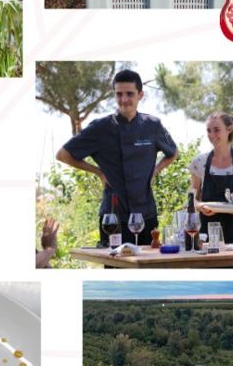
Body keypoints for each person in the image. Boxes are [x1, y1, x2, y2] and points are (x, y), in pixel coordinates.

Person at [56, 70, 179, 247]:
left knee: (148, 269)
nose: (124, 99)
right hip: (113, 218)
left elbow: (173, 152)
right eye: (119, 94)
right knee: (115, 271)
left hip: (146, 214)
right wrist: (98, 172)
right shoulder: (101, 128)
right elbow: (63, 154)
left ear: (140, 95)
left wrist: (156, 170)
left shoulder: (152, 125)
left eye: (129, 94)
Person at [189, 112, 233, 244]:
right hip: (207, 236)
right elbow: (192, 199)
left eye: (216, 130)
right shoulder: (199, 161)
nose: (212, 135)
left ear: (229, 129)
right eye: (209, 131)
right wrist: (200, 206)